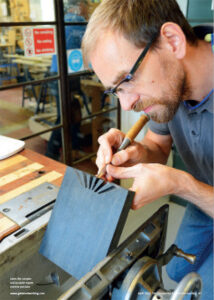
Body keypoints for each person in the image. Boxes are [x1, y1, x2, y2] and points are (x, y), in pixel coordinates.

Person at [81, 0, 213, 298]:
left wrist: (181, 184)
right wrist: (136, 155)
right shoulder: (173, 86)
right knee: (176, 270)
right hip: (203, 195)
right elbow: (157, 145)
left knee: (203, 291)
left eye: (126, 80)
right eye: (115, 91)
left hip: (197, 190)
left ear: (173, 41)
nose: (126, 104)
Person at [46, 0, 88, 160]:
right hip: (69, 73)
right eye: (85, 6)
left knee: (71, 109)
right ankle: (52, 151)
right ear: (77, 7)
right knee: (67, 113)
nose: (87, 10)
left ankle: (73, 144)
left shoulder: (61, 21)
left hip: (59, 72)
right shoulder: (80, 23)